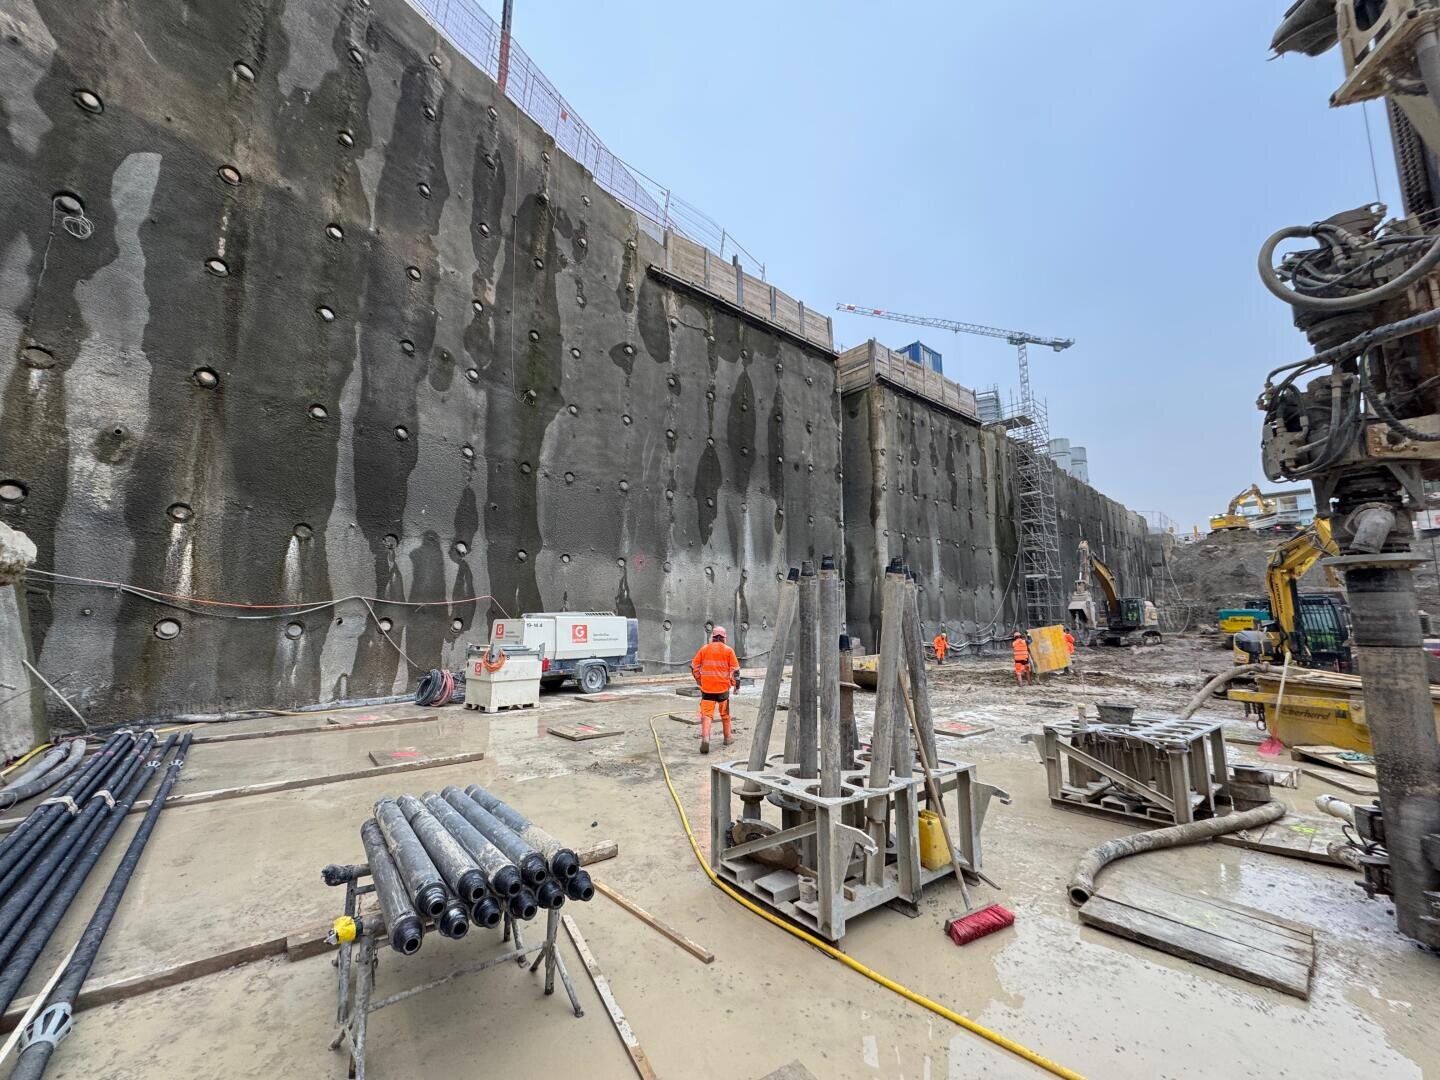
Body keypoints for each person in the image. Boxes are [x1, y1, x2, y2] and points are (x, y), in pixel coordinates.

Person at [690, 626, 740, 755]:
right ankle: (728, 738)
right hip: (723, 689)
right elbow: (735, 671)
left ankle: (706, 738)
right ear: (724, 638)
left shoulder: (704, 649)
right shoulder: (729, 650)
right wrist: (736, 686)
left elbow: (694, 666)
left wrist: (699, 680)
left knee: (707, 715)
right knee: (725, 714)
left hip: (707, 690)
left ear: (713, 637)